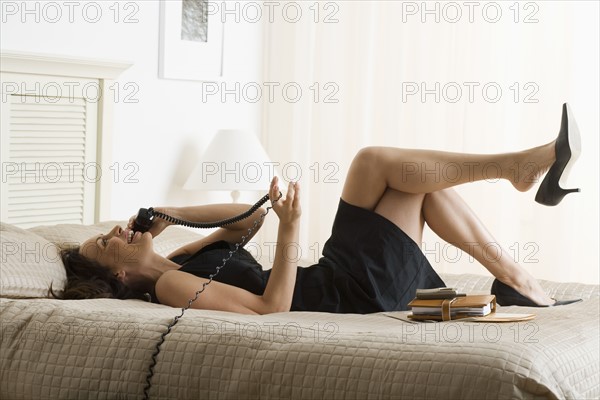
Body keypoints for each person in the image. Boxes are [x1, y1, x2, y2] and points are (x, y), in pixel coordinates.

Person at [57, 104, 582, 314]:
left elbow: (245, 218)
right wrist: (293, 229)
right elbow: (272, 309)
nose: (115, 230)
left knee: (413, 181)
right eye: (106, 242)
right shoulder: (168, 287)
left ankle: (517, 278)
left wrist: (169, 212)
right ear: (121, 274)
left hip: (344, 279)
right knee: (374, 163)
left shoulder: (182, 261)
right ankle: (519, 170)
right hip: (348, 293)